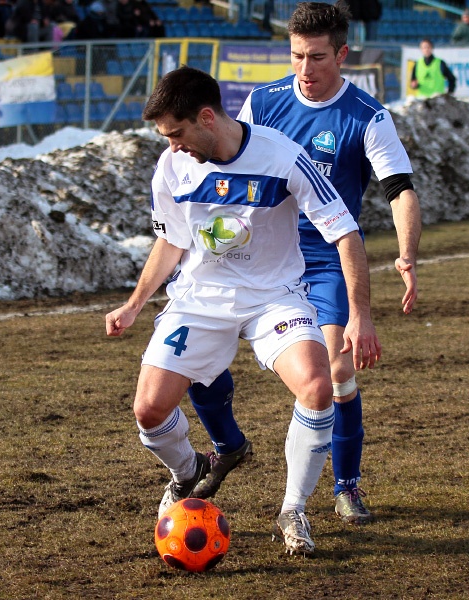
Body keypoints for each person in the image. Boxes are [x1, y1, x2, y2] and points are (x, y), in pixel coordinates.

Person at [103, 66, 381, 556]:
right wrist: (133, 304)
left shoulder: (283, 155)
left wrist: (359, 314)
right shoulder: (171, 168)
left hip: (274, 296)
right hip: (201, 298)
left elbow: (345, 232)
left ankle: (293, 509)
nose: (173, 147)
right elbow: (171, 240)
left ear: (207, 118)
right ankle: (188, 471)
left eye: (178, 134)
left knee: (318, 388)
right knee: (148, 410)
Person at [187, 0, 421, 527]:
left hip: (324, 260)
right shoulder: (264, 101)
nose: (305, 70)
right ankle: (228, 444)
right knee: (197, 350)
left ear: (341, 54)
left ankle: (346, 485)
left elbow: (400, 191)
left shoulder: (367, 117)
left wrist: (407, 254)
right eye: (296, 56)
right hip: (258, 253)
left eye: (316, 57)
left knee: (337, 369)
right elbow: (230, 161)